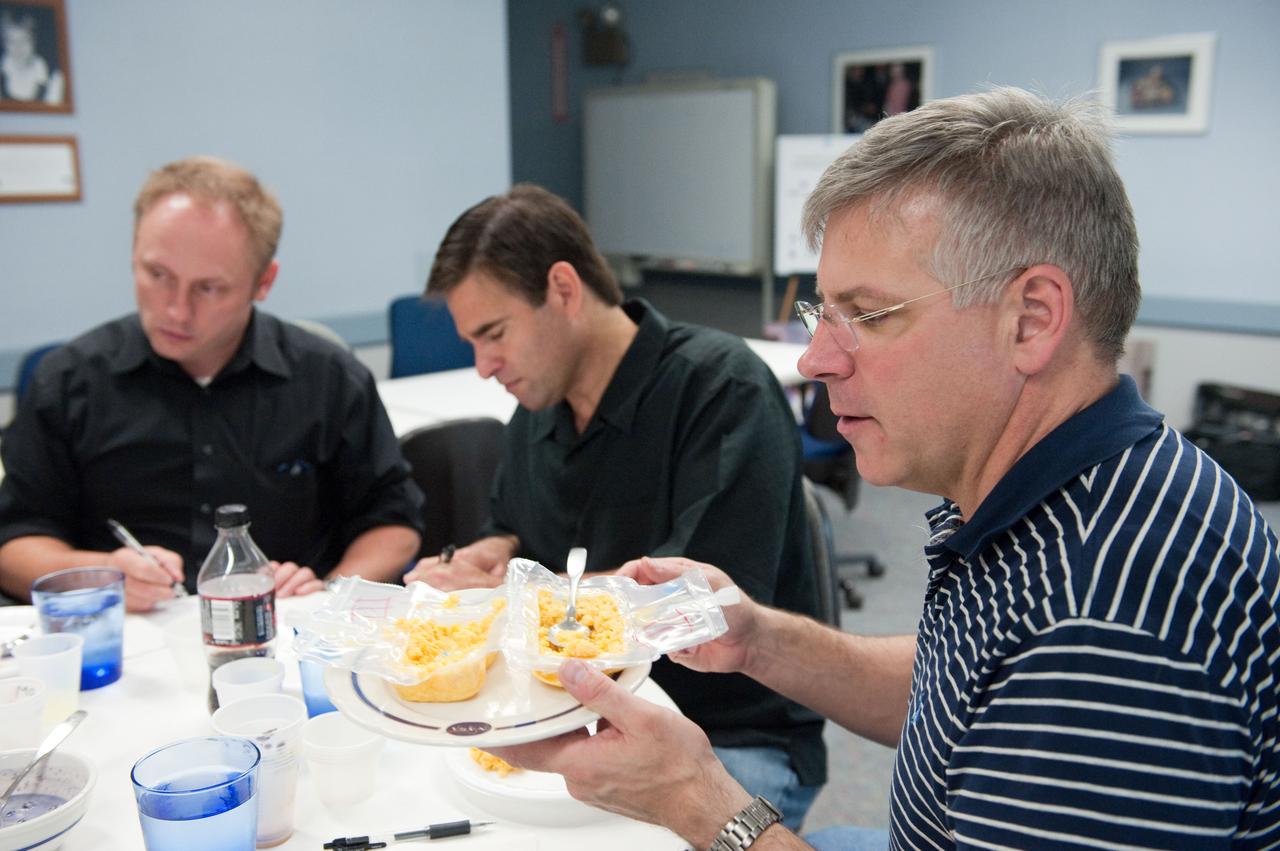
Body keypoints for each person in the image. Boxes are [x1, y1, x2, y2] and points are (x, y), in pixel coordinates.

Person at [489, 88, 1280, 850]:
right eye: (820, 313)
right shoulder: (1054, 490)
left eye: (866, 315)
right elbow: (964, 695)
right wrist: (757, 639)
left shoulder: (1102, 632)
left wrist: (700, 803)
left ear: (1033, 319)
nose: (816, 357)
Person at [403, 183, 827, 829]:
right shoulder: (536, 410)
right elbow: (511, 526)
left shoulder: (719, 387)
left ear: (565, 289)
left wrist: (503, 604)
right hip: (574, 711)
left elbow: (696, 606)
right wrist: (484, 556)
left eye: (494, 333)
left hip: (723, 734)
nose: (484, 366)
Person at [0, 156, 425, 613]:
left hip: (285, 639)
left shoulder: (329, 379)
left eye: (209, 289)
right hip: (124, 642)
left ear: (264, 282)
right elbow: (14, 545)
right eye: (157, 275)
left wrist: (327, 593)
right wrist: (102, 573)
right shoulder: (68, 382)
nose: (175, 310)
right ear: (133, 252)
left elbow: (393, 524)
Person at [0, 9, 64, 105]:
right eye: (11, 41)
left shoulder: (54, 77)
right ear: (4, 43)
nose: (18, 47)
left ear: (35, 40)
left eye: (24, 40)